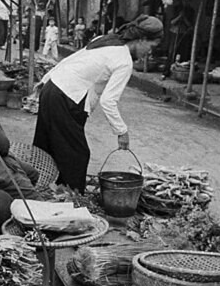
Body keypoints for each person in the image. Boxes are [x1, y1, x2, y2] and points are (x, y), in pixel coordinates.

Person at [33, 14, 164, 192]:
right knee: (77, 155)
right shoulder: (124, 61)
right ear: (141, 39)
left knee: (47, 147)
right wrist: (122, 131)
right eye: (151, 46)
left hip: (52, 88)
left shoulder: (106, 40)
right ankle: (73, 201)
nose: (149, 52)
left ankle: (41, 191)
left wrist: (45, 81)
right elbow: (108, 101)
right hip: (66, 97)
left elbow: (72, 60)